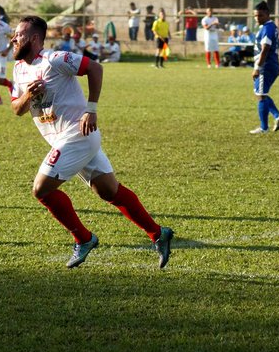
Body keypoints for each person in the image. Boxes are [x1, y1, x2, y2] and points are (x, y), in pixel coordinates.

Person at [9, 15, 174, 269]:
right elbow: (16, 109)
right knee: (108, 191)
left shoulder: (54, 60)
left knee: (41, 189)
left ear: (33, 38)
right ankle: (158, 233)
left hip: (77, 134)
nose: (13, 39)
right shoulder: (18, 69)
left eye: (18, 35)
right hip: (63, 140)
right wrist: (29, 95)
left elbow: (95, 68)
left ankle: (83, 239)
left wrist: (91, 108)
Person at [250, 1, 279, 135]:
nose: (257, 18)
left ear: (267, 14)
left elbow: (266, 48)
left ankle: (264, 127)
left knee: (260, 95)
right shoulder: (269, 26)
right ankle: (277, 116)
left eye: (260, 15)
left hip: (266, 66)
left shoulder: (267, 28)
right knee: (261, 94)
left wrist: (258, 67)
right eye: (255, 16)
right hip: (269, 65)